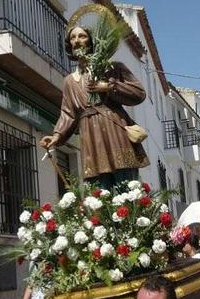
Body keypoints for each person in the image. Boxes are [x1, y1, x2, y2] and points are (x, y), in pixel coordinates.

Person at [40, 26, 148, 188]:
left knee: (126, 184)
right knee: (98, 188)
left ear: (91, 42)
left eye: (82, 36)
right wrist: (57, 136)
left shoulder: (113, 68)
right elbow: (68, 113)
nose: (77, 41)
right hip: (90, 136)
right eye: (73, 38)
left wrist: (109, 87)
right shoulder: (70, 81)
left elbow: (139, 93)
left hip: (114, 129)